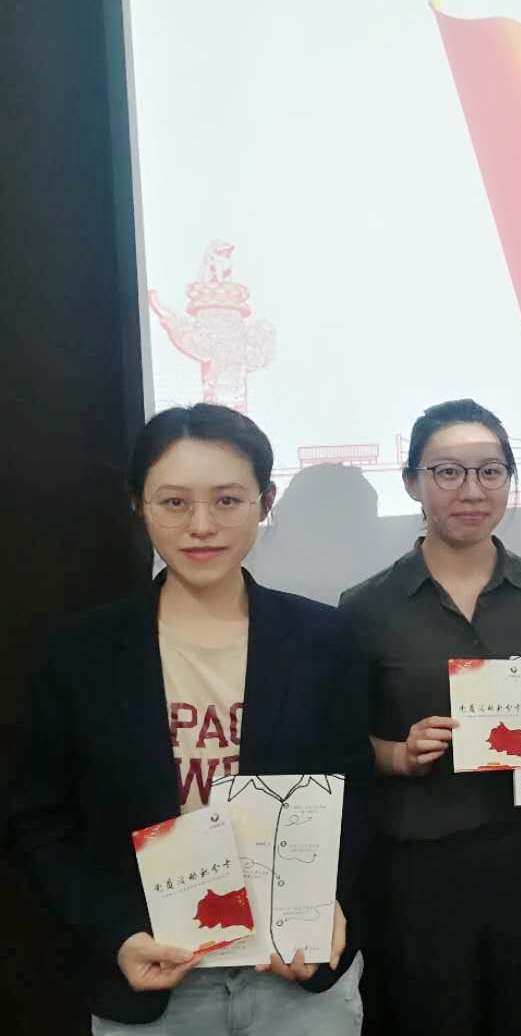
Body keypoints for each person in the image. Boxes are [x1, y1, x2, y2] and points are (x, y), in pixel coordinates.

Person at [5, 403, 372, 1034]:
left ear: (265, 501)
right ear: (139, 505)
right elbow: (39, 821)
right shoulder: (81, 653)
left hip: (294, 972)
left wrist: (332, 904)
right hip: (156, 977)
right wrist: (116, 935)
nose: (202, 526)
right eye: (174, 503)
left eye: (228, 500)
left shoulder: (324, 639)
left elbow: (355, 795)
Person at [340, 399, 521, 1036]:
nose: (472, 490)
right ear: (412, 482)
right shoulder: (366, 606)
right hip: (423, 860)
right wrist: (399, 754)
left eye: (490, 471)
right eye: (447, 472)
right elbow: (346, 742)